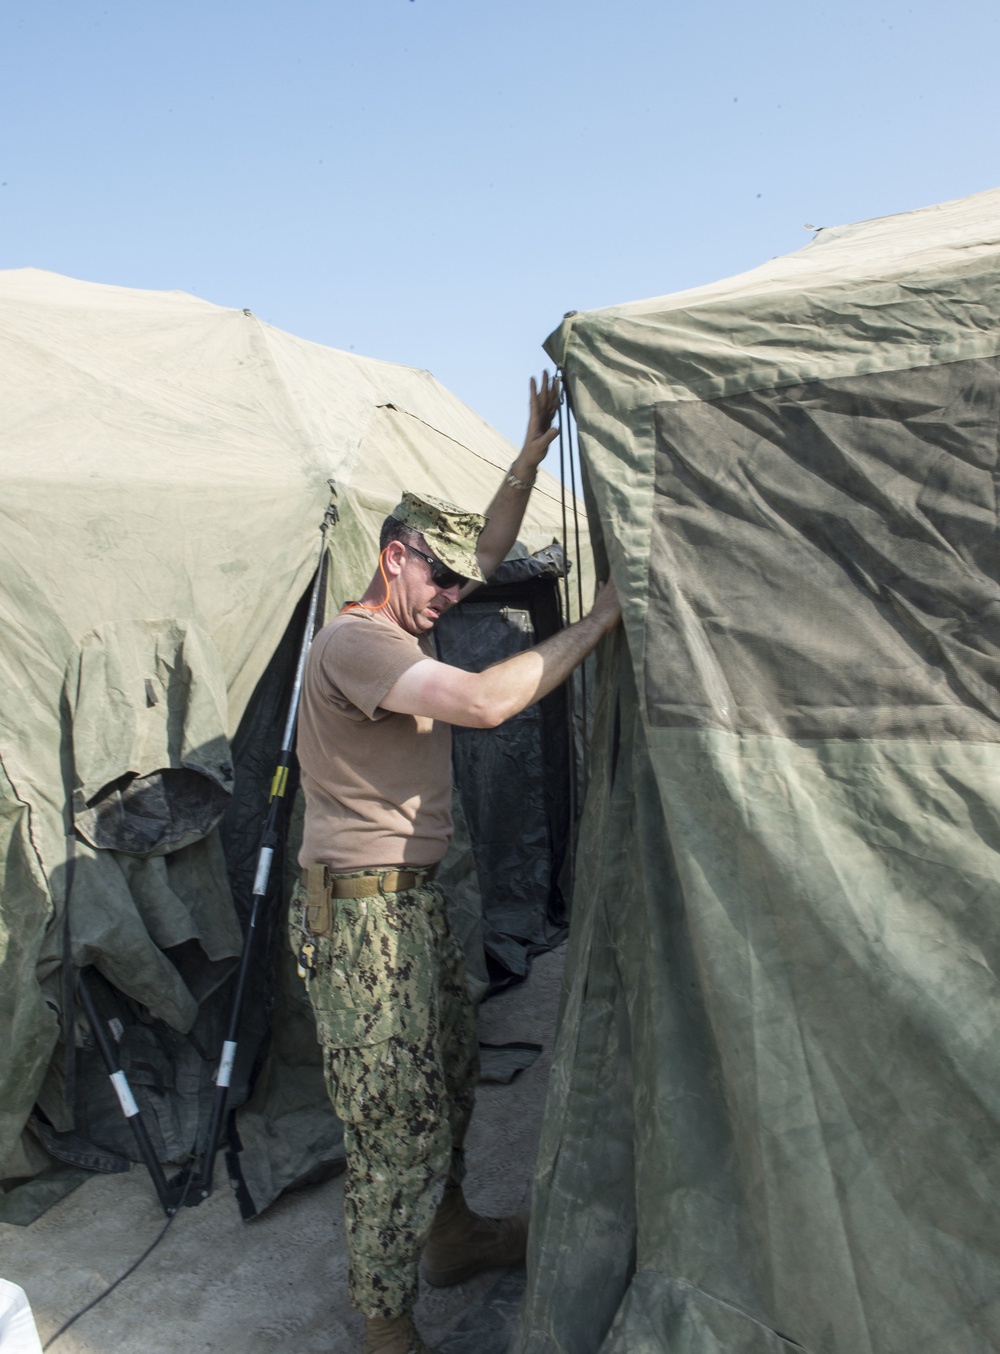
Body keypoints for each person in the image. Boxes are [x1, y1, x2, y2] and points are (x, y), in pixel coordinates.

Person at [292, 373, 622, 1354]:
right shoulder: (356, 641)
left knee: (452, 1082)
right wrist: (600, 620)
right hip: (357, 915)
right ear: (393, 559)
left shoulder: (410, 609)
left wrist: (527, 452)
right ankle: (385, 1326)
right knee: (391, 1127)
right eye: (433, 581)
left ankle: (452, 1234)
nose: (452, 596)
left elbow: (480, 551)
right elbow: (482, 703)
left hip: (412, 904)